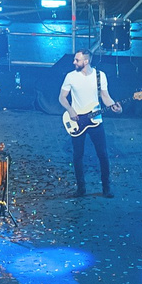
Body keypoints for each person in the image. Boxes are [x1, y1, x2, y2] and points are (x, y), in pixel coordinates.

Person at [59, 48, 113, 197]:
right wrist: (70, 110)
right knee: (78, 155)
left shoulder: (99, 76)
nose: (74, 62)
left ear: (86, 61)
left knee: (102, 154)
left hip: (96, 121)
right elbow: (62, 97)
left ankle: (106, 187)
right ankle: (81, 188)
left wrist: (114, 105)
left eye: (77, 60)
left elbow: (105, 97)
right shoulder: (71, 77)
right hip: (77, 121)